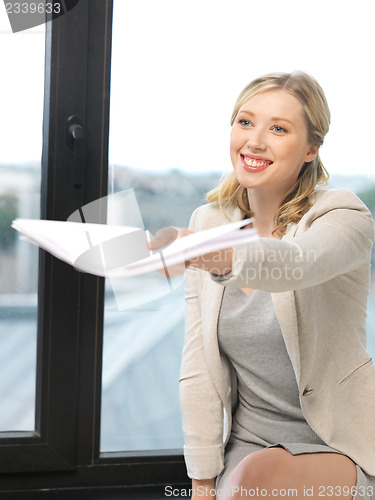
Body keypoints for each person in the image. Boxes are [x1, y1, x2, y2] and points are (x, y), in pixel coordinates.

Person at [150, 71, 375, 500]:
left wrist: (212, 254)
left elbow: (293, 264)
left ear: (311, 148)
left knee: (256, 481)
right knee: (249, 479)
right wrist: (200, 484)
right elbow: (198, 364)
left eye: (278, 128)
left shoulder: (344, 216)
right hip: (248, 449)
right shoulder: (209, 222)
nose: (254, 141)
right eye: (245, 122)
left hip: (340, 446)